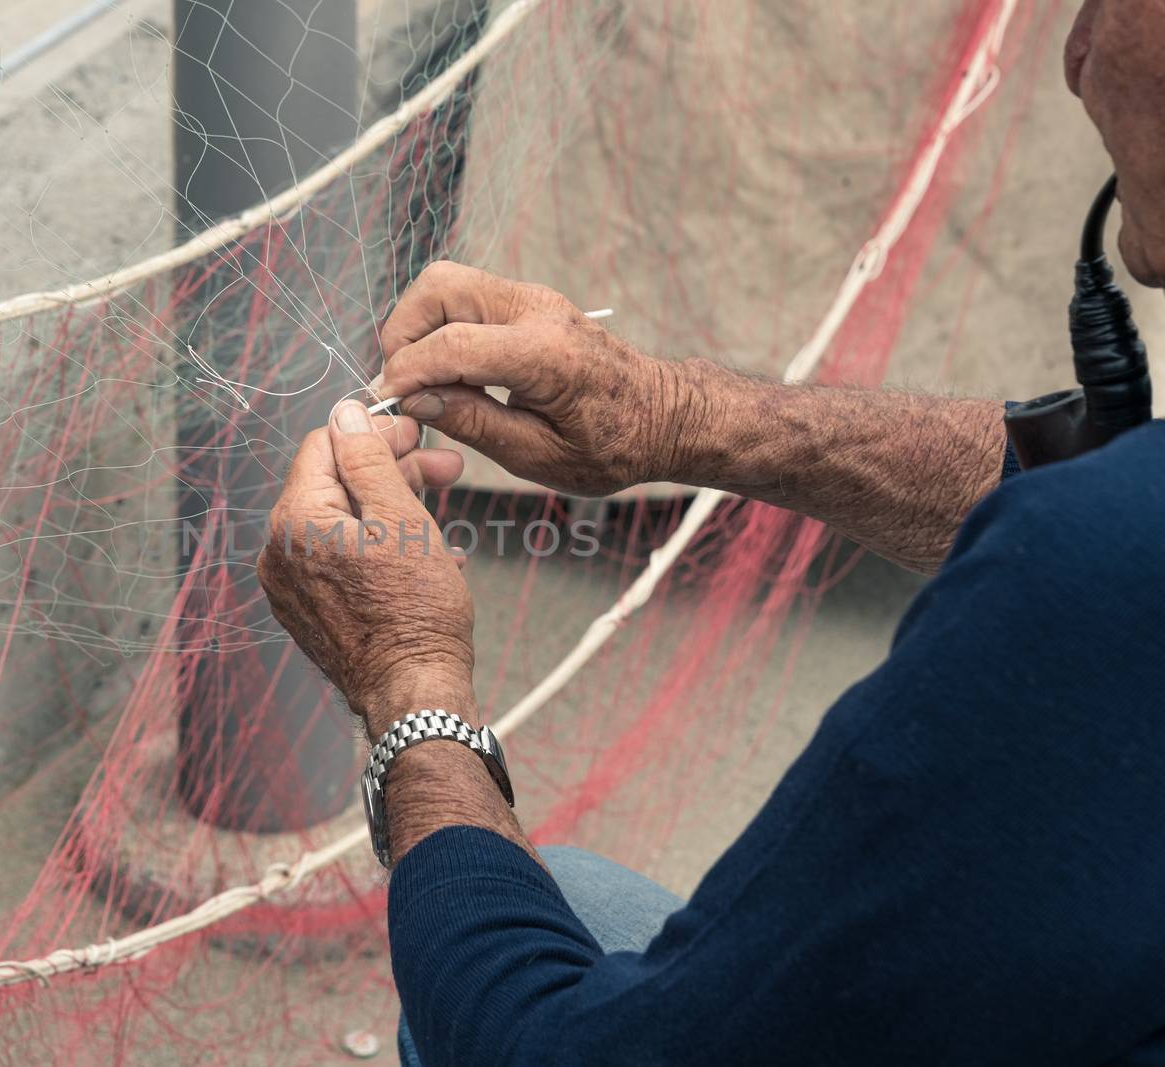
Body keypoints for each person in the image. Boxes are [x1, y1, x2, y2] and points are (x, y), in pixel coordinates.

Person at [256, 2, 1165, 1063]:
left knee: (472, 959)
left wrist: (410, 686)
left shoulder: (1088, 588)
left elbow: (558, 1047)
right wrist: (674, 414)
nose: (1073, 55)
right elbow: (1108, 478)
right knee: (580, 898)